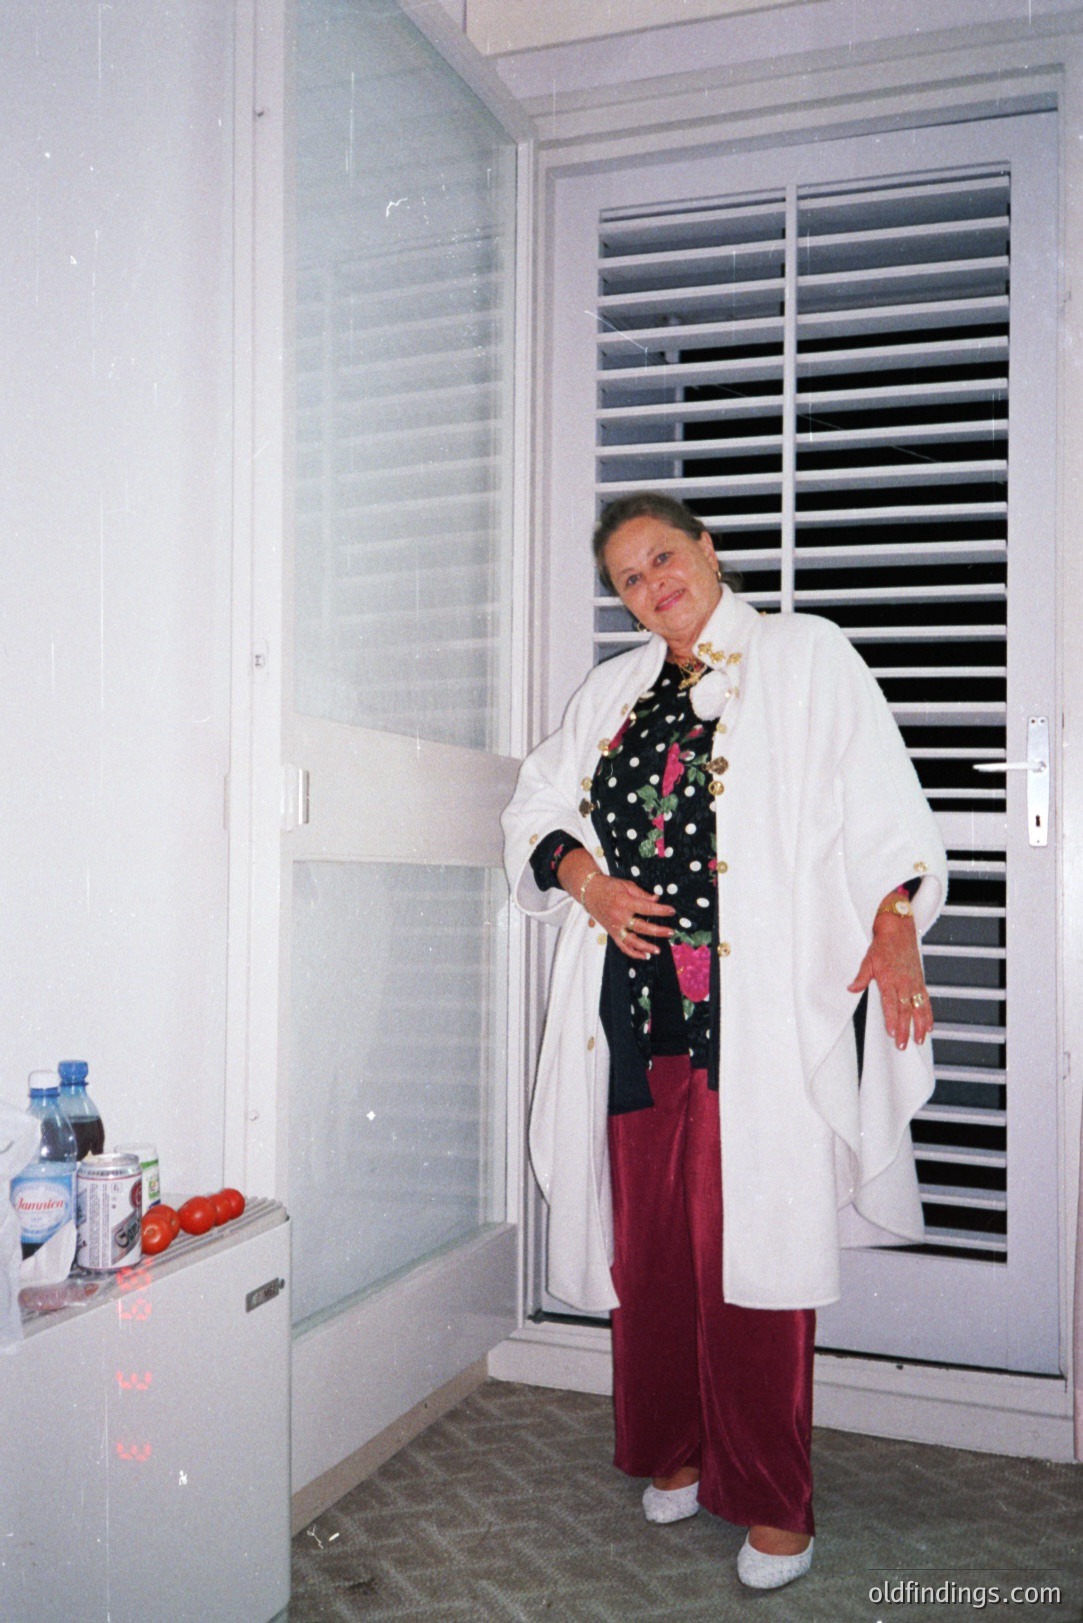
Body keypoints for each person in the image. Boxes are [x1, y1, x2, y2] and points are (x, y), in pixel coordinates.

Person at [501, 492, 947, 1590]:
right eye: (629, 578)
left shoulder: (805, 657)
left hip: (752, 1011)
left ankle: (773, 1498)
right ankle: (678, 1449)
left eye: (664, 556)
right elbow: (535, 809)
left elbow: (881, 798)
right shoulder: (611, 692)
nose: (654, 585)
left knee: (753, 1252)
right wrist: (589, 883)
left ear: (707, 551)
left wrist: (895, 920)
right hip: (633, 1010)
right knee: (651, 1249)